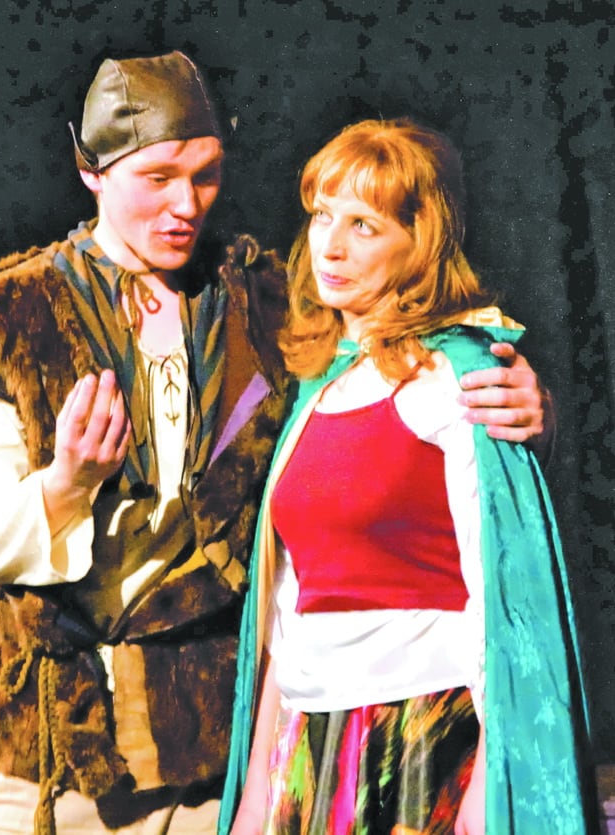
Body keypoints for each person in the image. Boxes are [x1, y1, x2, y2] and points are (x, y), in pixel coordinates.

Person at [0, 52, 553, 835]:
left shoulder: (262, 298)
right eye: (157, 178)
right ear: (90, 171)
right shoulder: (6, 316)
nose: (185, 204)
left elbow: (390, 369)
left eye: (205, 175)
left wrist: (522, 402)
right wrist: (66, 483)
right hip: (53, 747)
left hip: (208, 744)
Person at [219, 118, 594, 834]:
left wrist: (491, 782)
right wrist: (258, 792)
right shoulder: (320, 384)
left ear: (419, 240)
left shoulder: (459, 377)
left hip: (421, 738)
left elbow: (501, 599)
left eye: (363, 225)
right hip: (311, 739)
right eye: (322, 215)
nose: (329, 246)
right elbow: (289, 605)